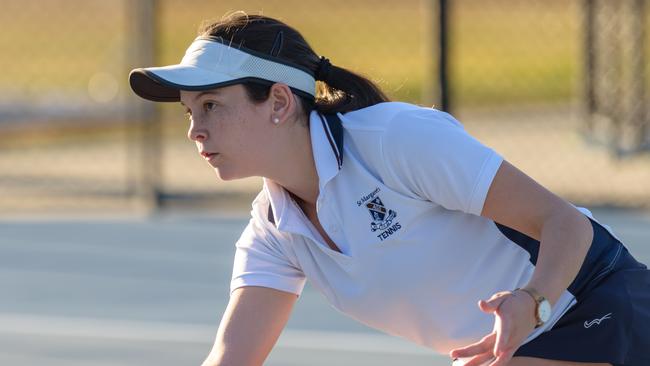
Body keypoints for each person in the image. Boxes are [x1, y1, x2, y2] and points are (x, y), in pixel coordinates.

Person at [128, 12, 650, 366]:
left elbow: (567, 225)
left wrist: (534, 300)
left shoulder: (394, 140)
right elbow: (231, 358)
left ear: (281, 102)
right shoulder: (274, 230)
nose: (195, 129)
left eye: (212, 106)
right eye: (191, 112)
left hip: (594, 302)